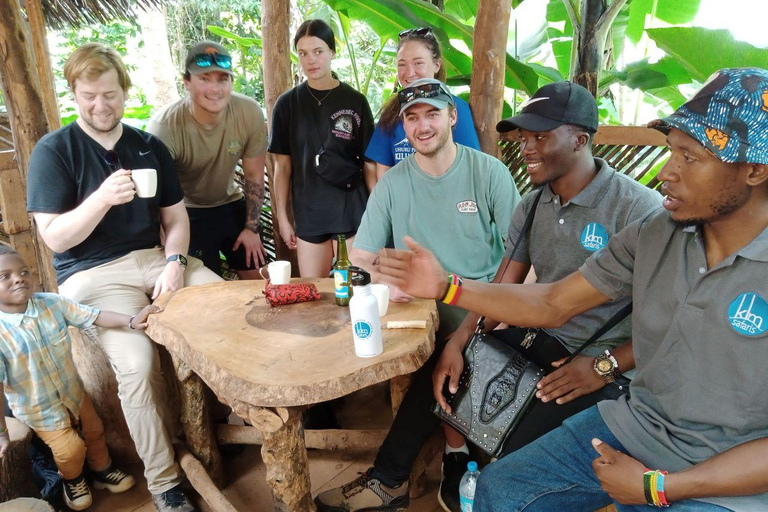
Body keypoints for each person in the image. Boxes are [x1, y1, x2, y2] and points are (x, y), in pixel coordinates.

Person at [377, 67, 768, 512]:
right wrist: (448, 288)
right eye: (671, 152)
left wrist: (660, 487)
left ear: (755, 170)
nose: (665, 173)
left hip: (734, 471)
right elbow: (553, 300)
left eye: (690, 158)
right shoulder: (657, 230)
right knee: (499, 490)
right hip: (638, 424)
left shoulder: (632, 205)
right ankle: (416, 471)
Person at [424, 80, 661, 511]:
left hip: (600, 362)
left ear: (580, 139)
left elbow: (666, 325)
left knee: (517, 453)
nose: (526, 148)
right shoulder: (532, 205)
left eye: (541, 137)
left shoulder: (639, 211)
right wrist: (458, 343)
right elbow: (504, 290)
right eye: (523, 137)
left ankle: (473, 466)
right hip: (538, 340)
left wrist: (606, 367)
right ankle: (395, 475)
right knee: (442, 375)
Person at [26, 43, 222, 512]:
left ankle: (241, 416)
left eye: (110, 94)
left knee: (224, 303)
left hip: (154, 258)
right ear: (74, 93)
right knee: (137, 365)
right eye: (89, 95)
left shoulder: (149, 146)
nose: (101, 105)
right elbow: (54, 237)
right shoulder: (54, 152)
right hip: (92, 275)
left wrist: (175, 263)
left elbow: (176, 219)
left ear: (123, 92)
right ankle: (165, 483)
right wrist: (100, 199)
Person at [314, 78, 519, 512]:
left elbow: (524, 260)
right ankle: (452, 456)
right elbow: (364, 257)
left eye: (431, 113)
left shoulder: (489, 173)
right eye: (412, 117)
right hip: (419, 314)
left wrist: (488, 306)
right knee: (409, 351)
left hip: (482, 308)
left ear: (451, 117)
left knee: (443, 360)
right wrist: (390, 281)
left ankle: (396, 476)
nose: (422, 125)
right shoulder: (393, 183)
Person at [0, 245, 150, 511]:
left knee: (94, 431)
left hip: (73, 392)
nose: (19, 278)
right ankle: (74, 479)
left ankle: (102, 471)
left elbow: (93, 315)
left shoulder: (51, 303)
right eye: (5, 276)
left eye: (23, 271)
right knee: (69, 448)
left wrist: (130, 320)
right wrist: (1, 434)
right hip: (39, 409)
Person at [147, 41, 268, 279]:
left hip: (231, 204)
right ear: (187, 82)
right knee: (204, 290)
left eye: (222, 79)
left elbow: (254, 176)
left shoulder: (250, 112)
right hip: (186, 212)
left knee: (259, 280)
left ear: (231, 82)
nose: (215, 88)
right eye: (204, 79)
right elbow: (157, 197)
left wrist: (251, 228)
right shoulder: (164, 127)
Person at [269, 19, 376, 278]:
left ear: (332, 52)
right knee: (315, 294)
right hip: (310, 212)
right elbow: (281, 167)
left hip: (352, 210)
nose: (311, 60)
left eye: (318, 51)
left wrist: (377, 215)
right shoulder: (287, 104)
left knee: (358, 291)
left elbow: (370, 164)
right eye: (303, 53)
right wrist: (283, 219)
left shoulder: (355, 101)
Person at [365, 26, 480, 179]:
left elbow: (471, 167)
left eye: (418, 63)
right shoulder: (392, 111)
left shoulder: (454, 107)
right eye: (402, 64)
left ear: (436, 65)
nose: (409, 72)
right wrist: (386, 202)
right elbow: (381, 169)